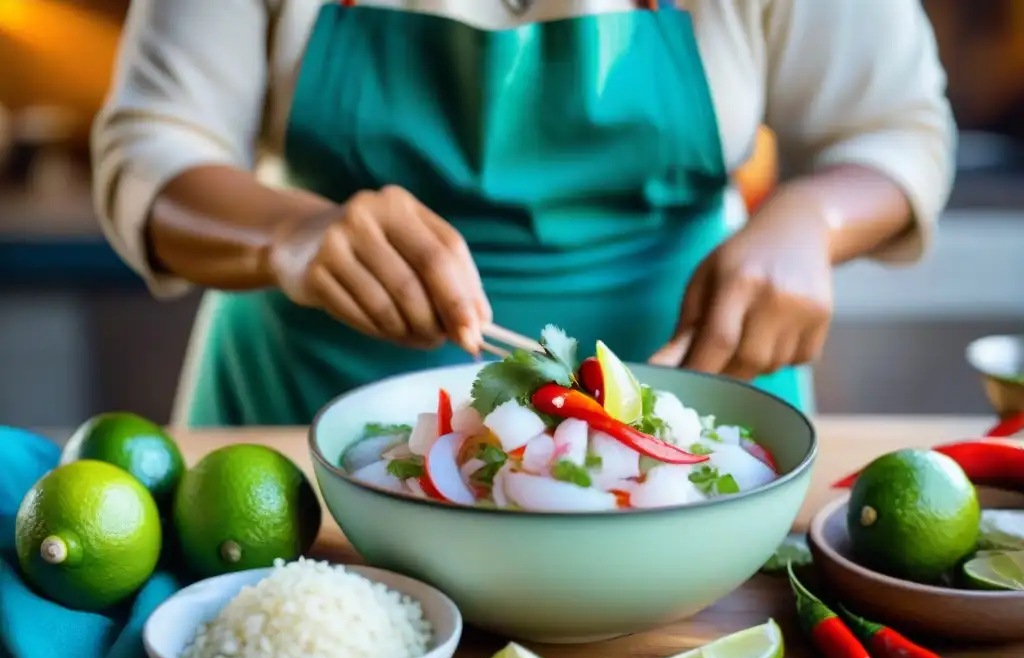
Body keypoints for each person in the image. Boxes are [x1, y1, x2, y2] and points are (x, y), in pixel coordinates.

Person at [92, 0, 955, 427]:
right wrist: (291, 235)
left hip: (684, 421)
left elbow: (899, 129)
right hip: (304, 412)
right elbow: (154, 152)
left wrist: (812, 220)